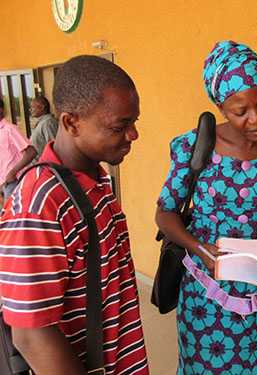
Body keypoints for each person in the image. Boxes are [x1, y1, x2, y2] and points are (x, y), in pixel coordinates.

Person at [155, 40, 257, 373]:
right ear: (221, 107)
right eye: (240, 111)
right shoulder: (195, 146)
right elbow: (165, 213)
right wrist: (200, 248)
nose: (256, 118)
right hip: (205, 293)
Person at [0, 55, 149, 374]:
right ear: (71, 123)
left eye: (134, 121)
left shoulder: (94, 179)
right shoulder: (41, 202)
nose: (133, 134)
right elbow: (30, 333)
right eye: (120, 126)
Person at [0, 98, 36, 207]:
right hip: (3, 184)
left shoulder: (10, 129)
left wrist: (12, 172)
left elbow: (31, 152)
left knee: (12, 218)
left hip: (14, 182)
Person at [29, 95, 59, 160]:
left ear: (42, 107)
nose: (30, 109)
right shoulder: (43, 122)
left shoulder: (48, 122)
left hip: (46, 166)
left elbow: (54, 148)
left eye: (32, 107)